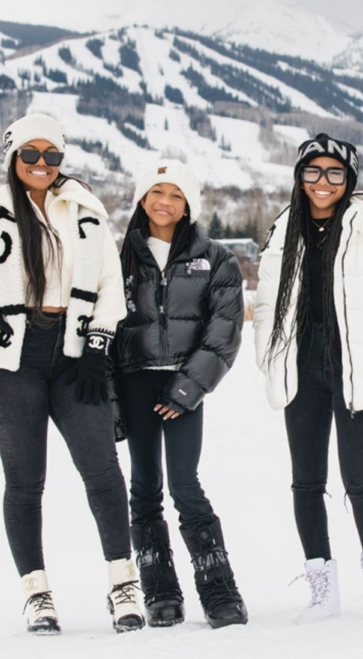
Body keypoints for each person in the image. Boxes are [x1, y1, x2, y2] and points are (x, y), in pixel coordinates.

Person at [0, 113, 145, 634]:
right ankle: (38, 596)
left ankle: (122, 583)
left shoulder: (85, 209)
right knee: (24, 482)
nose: (41, 164)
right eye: (30, 154)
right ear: (13, 158)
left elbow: (110, 281)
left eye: (52, 155)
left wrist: (97, 346)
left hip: (76, 353)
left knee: (102, 471)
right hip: (10, 361)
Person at [253, 134, 363, 623]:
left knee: (360, 479)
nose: (322, 183)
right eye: (312, 172)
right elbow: (265, 302)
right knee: (306, 483)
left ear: (349, 179)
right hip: (301, 367)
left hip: (358, 367)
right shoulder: (287, 229)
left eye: (334, 173)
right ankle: (322, 588)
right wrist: (270, 353)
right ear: (299, 177)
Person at [115, 160, 248, 629]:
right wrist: (112, 398)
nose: (164, 201)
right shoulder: (120, 257)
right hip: (135, 382)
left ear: (188, 203)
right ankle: (160, 591)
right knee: (144, 488)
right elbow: (104, 328)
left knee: (185, 484)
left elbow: (224, 331)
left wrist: (188, 388)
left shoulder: (216, 258)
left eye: (175, 193)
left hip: (184, 386)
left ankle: (218, 590)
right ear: (142, 198)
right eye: (155, 191)